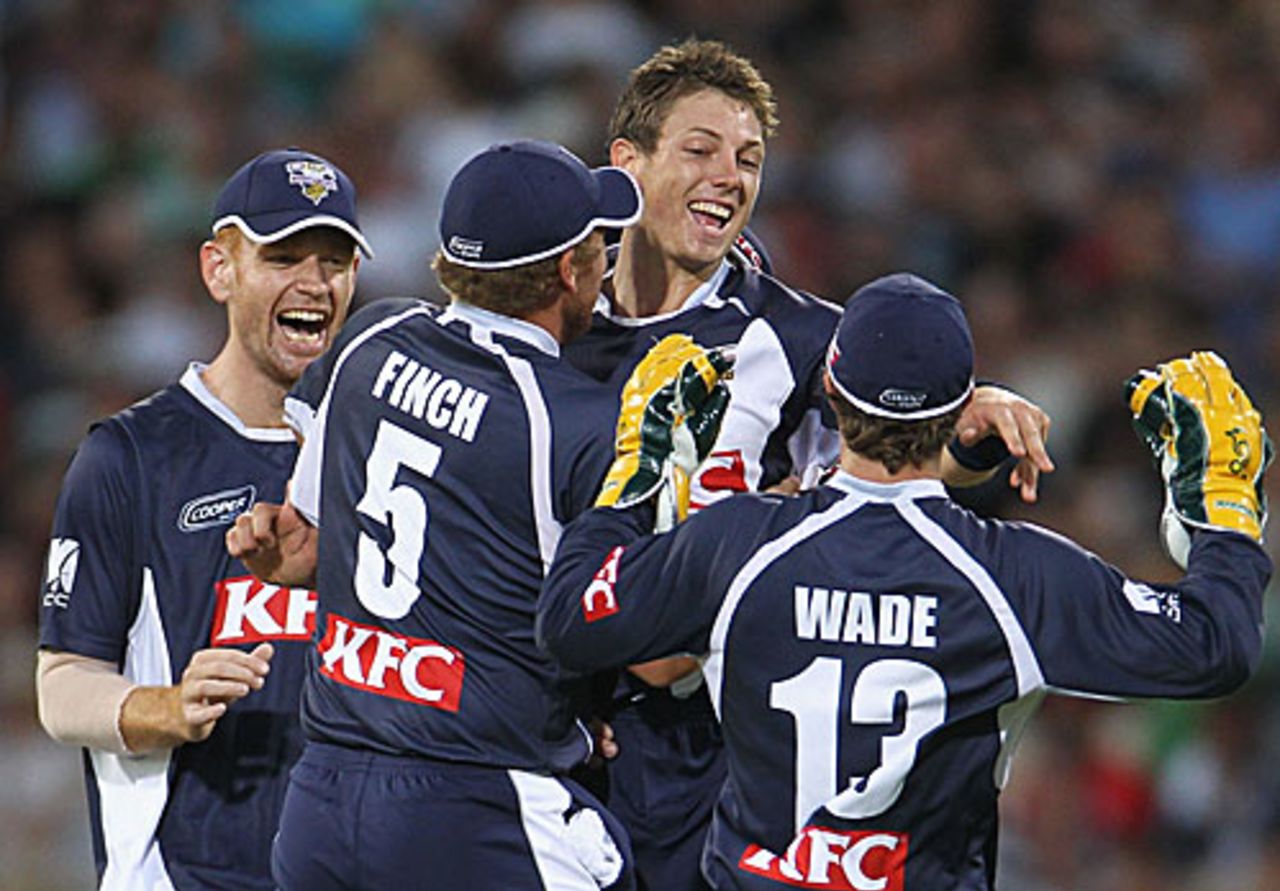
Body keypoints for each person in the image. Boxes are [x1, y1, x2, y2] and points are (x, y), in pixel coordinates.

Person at [538, 272, 1272, 890]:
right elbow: (1217, 645)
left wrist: (636, 471)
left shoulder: (737, 542)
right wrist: (1223, 502)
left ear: (831, 386)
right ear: (963, 408)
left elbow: (570, 619)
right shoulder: (1013, 577)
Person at [561, 38, 1056, 890]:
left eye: (749, 159)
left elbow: (909, 443)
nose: (730, 175)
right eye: (701, 150)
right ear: (627, 163)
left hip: (702, 749)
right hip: (553, 724)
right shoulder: (554, 311)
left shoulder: (792, 337)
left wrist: (978, 427)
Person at [225, 140, 695, 891]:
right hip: (479, 811)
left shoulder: (373, 338)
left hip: (321, 804)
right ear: (569, 271)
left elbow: (311, 546)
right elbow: (660, 658)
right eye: (600, 246)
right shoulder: (578, 422)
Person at [35, 147, 372, 890]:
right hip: (186, 871)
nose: (315, 283)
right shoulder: (129, 456)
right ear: (220, 269)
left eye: (336, 260)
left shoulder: (369, 454)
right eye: (284, 256)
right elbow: (61, 683)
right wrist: (166, 707)